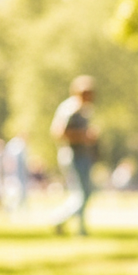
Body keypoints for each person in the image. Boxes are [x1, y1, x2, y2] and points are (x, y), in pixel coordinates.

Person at [50, 76, 98, 235]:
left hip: (84, 156)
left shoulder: (85, 110)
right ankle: (58, 218)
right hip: (73, 155)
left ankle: (81, 229)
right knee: (81, 194)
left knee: (85, 193)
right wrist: (83, 136)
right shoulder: (70, 108)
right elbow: (58, 132)